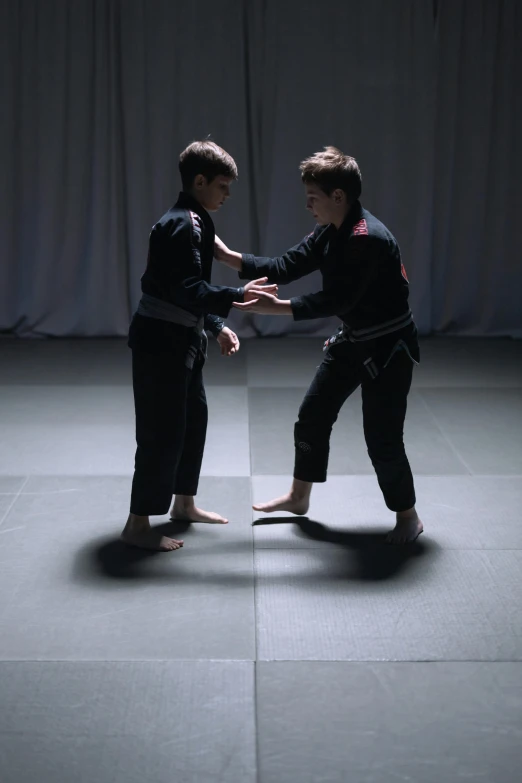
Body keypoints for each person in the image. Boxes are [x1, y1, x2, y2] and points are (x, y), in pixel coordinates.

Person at [214, 146, 423, 544]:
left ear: (338, 197)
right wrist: (229, 257)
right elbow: (286, 265)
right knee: (312, 415)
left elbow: (338, 301)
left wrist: (277, 309)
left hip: (389, 348)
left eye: (313, 198)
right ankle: (299, 496)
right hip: (354, 339)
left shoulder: (368, 238)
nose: (308, 205)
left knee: (382, 437)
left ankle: (408, 517)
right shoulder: (329, 232)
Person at [121, 140, 276, 552]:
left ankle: (183, 503)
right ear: (200, 181)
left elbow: (186, 292)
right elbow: (185, 288)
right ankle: (137, 523)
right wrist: (237, 296)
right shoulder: (182, 224)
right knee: (160, 432)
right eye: (222, 186)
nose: (227, 195)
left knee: (193, 423)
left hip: (182, 338)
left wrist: (217, 325)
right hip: (160, 343)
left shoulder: (197, 220)